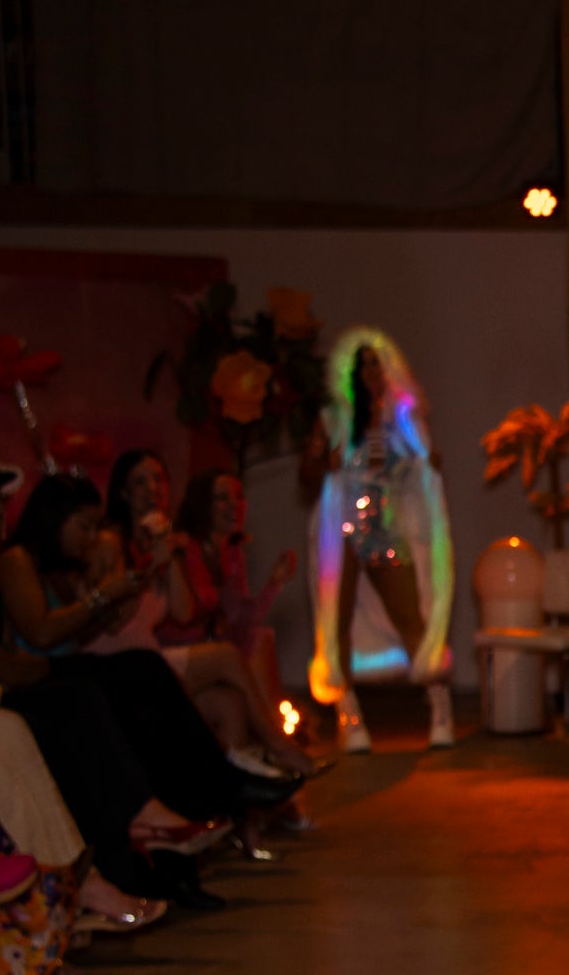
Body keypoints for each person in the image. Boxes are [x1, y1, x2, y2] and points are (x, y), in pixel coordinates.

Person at [0, 473, 273, 911]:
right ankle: (207, 800)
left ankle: (182, 838)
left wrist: (123, 588)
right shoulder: (16, 560)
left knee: (143, 684)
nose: (89, 537)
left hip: (61, 676)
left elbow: (104, 626)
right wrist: (101, 598)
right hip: (39, 684)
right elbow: (38, 637)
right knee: (118, 687)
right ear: (56, 519)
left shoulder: (63, 566)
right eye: (82, 526)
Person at [100, 450, 298, 777]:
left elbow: (186, 610)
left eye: (158, 479)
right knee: (230, 654)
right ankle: (279, 747)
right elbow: (125, 621)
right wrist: (154, 564)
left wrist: (273, 584)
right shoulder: (116, 544)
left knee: (232, 701)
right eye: (141, 482)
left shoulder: (197, 547)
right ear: (123, 493)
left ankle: (242, 797)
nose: (152, 489)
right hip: (135, 661)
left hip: (166, 656)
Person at [301, 330, 454, 754]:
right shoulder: (333, 419)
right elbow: (306, 473)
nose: (370, 372)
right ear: (348, 373)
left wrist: (427, 463)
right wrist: (323, 462)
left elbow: (420, 466)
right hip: (340, 530)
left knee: (412, 617)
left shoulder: (402, 420)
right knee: (336, 620)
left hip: (384, 527)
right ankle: (349, 715)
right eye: (362, 365)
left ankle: (439, 706)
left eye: (376, 364)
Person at [175, 468, 296, 717]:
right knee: (238, 651)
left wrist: (275, 582)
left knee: (261, 638)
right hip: (184, 646)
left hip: (215, 644)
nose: (234, 505)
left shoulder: (231, 553)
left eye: (239, 496)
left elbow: (241, 620)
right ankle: (272, 730)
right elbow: (188, 615)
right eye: (222, 498)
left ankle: (274, 725)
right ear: (203, 504)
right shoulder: (185, 550)